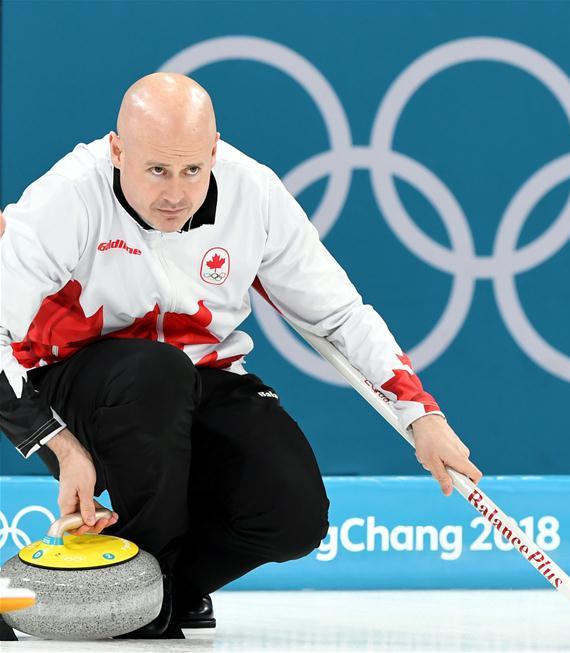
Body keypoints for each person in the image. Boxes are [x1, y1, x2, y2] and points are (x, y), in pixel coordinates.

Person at [0, 73, 482, 639]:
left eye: (192, 170)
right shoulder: (67, 197)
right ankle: (140, 611)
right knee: (154, 374)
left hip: (198, 376)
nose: (175, 193)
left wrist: (421, 415)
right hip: (74, 385)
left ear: (214, 151)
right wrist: (58, 444)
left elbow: (339, 315)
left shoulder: (254, 193)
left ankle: (155, 588)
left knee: (292, 513)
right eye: (156, 170)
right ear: (117, 151)